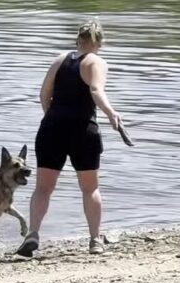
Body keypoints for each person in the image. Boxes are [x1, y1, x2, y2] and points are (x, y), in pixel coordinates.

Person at [16, 19, 121, 257]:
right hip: (83, 130)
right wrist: (111, 113)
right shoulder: (97, 61)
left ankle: (32, 234)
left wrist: (52, 118)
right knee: (90, 188)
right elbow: (96, 90)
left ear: (78, 40)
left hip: (51, 128)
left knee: (43, 188)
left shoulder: (60, 59)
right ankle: (95, 240)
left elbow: (44, 94)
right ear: (100, 43)